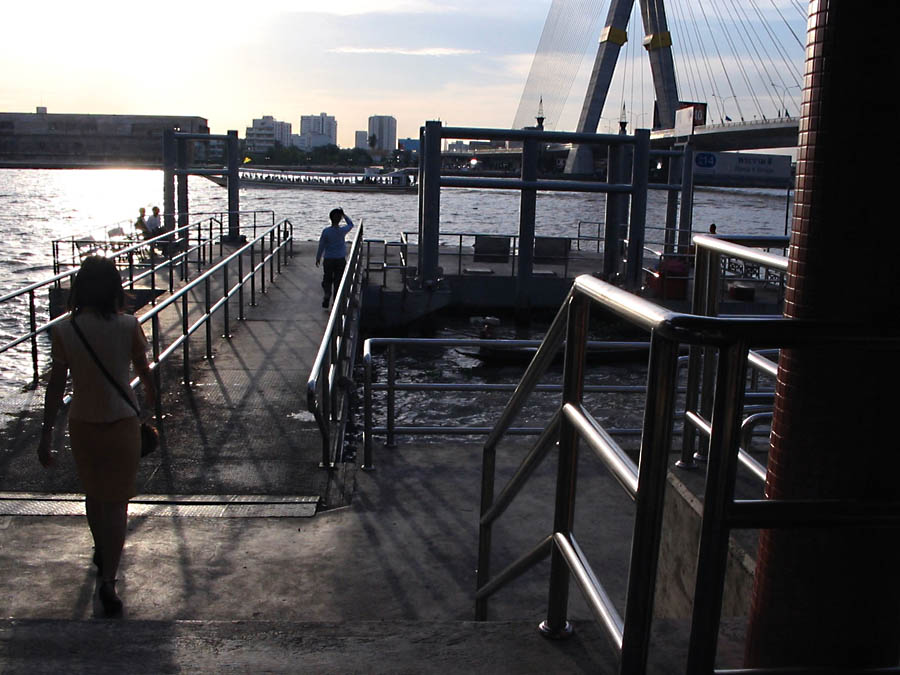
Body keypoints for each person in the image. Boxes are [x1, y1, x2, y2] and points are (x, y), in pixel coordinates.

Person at [37, 256, 156, 617]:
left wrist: (46, 436)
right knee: (117, 501)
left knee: (94, 493)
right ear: (115, 288)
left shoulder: (64, 330)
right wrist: (154, 409)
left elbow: (56, 387)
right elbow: (144, 374)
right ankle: (109, 579)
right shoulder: (128, 325)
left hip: (83, 423)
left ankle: (100, 548)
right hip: (122, 422)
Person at [315, 208, 354, 308]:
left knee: (327, 278)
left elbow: (321, 245)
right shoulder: (342, 231)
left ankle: (327, 293)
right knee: (338, 280)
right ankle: (336, 301)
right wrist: (344, 215)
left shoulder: (326, 231)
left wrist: (318, 257)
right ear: (340, 219)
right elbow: (351, 224)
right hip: (340, 258)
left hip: (329, 258)